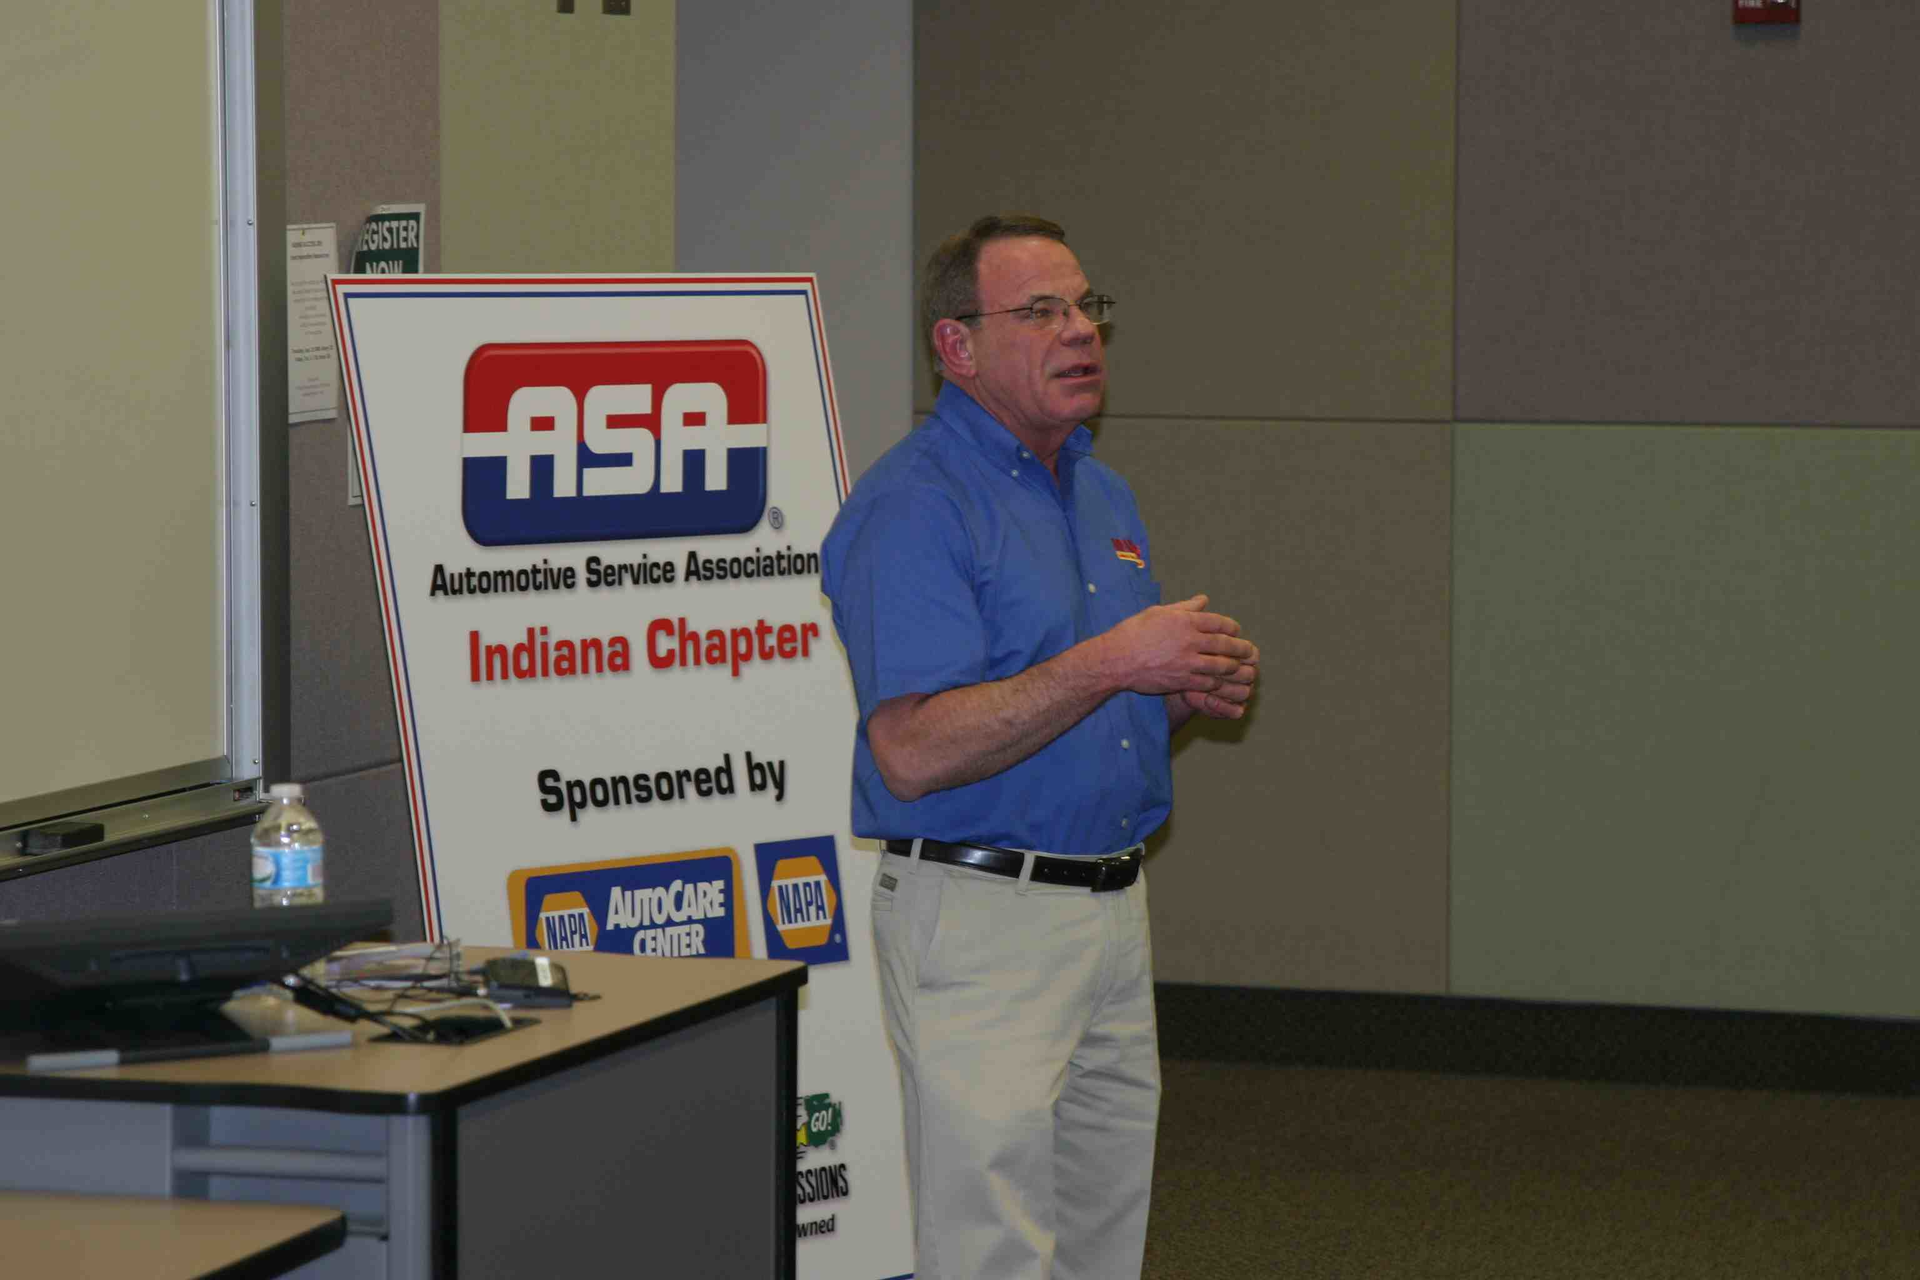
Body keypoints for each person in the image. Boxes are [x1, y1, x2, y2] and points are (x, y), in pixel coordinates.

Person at [820, 213, 1259, 1280]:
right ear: (955, 345)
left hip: (1112, 909)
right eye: (1042, 311)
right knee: (991, 1252)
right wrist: (1116, 660)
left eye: (1087, 306)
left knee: (1102, 1242)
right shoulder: (916, 505)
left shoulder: (1102, 491)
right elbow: (914, 751)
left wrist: (1179, 687)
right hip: (982, 924)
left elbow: (1072, 716)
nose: (1081, 331)